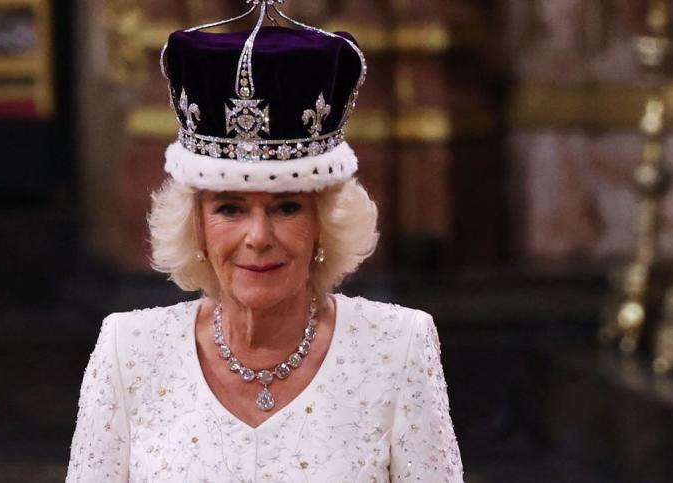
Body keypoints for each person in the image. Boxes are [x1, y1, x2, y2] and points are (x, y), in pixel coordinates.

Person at [67, 2, 463, 481]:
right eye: (230, 208)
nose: (258, 238)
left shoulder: (399, 348)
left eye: (286, 207)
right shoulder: (127, 352)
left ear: (324, 222)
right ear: (196, 224)